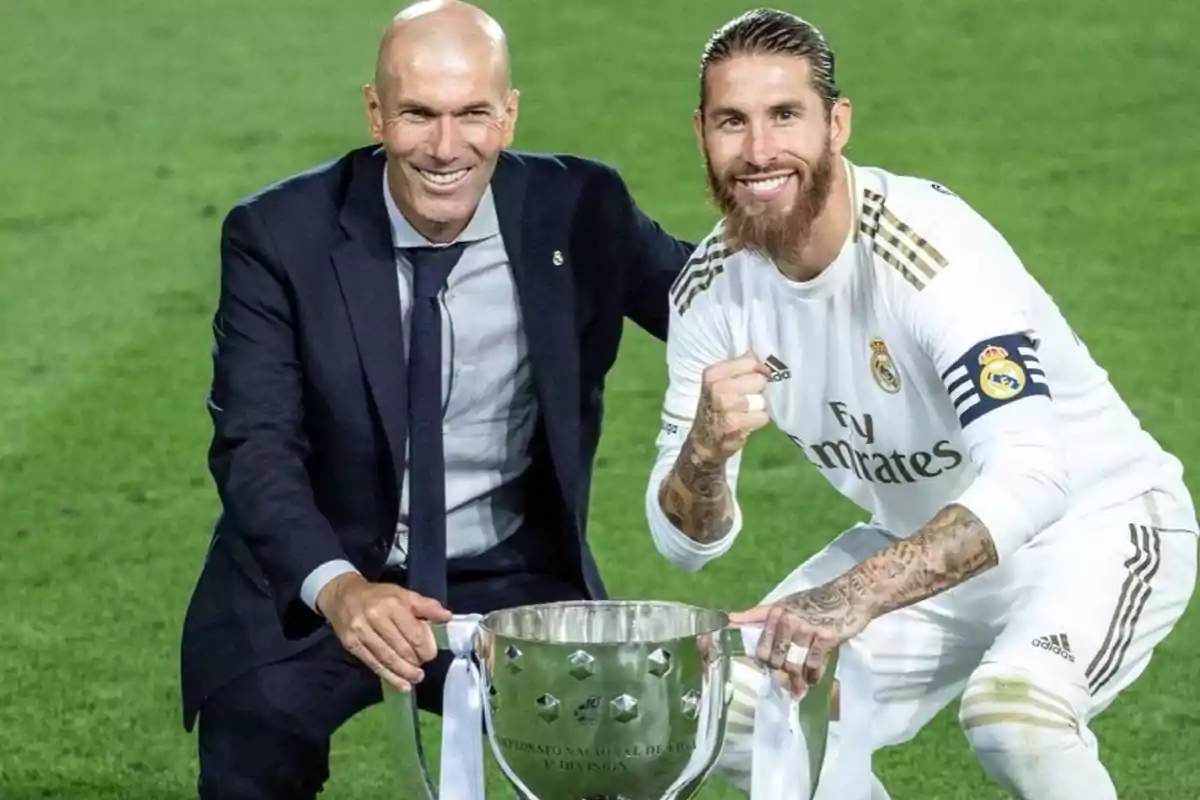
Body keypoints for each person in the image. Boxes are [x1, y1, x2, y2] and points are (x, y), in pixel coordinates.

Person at [645, 8, 1197, 799]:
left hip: (1097, 526)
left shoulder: (928, 249)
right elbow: (686, 545)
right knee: (726, 707)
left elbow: (1034, 479)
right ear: (701, 131)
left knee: (1016, 716)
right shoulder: (709, 293)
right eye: (733, 121)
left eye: (785, 116)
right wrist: (703, 453)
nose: (760, 150)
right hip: (925, 545)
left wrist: (849, 598)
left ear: (837, 125)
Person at [179, 1, 693, 796]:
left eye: (472, 115)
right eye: (418, 114)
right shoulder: (279, 237)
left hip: (509, 566)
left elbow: (713, 306)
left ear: (510, 115)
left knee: (606, 749)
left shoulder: (581, 209)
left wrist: (837, 259)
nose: (447, 148)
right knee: (257, 730)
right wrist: (342, 590)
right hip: (330, 561)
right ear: (375, 113)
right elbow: (256, 445)